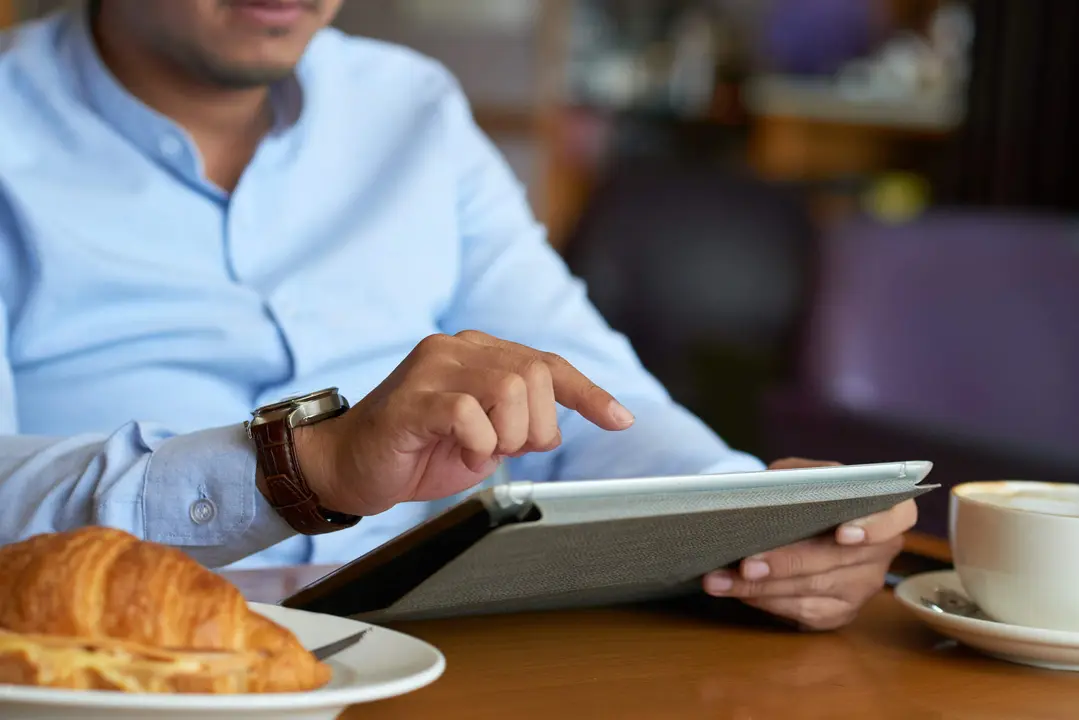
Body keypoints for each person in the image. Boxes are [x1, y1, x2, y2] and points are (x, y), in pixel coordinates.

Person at [0, 0, 916, 631]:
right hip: (98, 659)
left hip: (438, 656)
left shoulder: (411, 107)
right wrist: (303, 467)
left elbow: (591, 400)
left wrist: (749, 522)